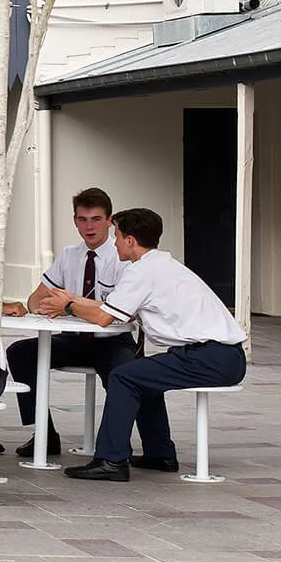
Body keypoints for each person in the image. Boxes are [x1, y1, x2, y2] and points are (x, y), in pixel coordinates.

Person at [59, 206, 247, 482]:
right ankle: (160, 454)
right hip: (222, 356)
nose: (115, 243)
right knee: (141, 373)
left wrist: (69, 306)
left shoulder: (142, 272)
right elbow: (116, 308)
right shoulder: (159, 265)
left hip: (210, 356)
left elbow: (102, 318)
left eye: (118, 237)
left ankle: (111, 461)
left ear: (131, 241)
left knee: (123, 376)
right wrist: (73, 300)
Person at [3, 186, 134, 457]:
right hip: (73, 340)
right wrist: (50, 307)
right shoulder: (69, 255)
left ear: (110, 221)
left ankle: (115, 445)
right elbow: (35, 300)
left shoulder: (120, 256)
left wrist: (71, 306)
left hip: (111, 340)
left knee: (127, 373)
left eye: (96, 219)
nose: (89, 226)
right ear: (75, 221)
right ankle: (44, 434)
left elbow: (120, 310)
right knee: (19, 353)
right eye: (82, 219)